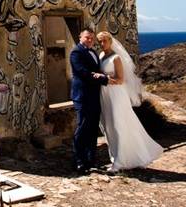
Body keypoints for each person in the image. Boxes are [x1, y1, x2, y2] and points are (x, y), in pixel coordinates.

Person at [96, 31, 163, 172]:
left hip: (116, 94)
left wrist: (104, 78)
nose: (102, 44)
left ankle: (120, 161)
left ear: (110, 41)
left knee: (118, 124)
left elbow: (121, 80)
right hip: (105, 94)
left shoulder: (116, 58)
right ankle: (119, 157)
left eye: (104, 41)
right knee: (109, 126)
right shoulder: (101, 56)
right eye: (100, 41)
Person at [69, 29, 108, 172]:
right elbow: (83, 73)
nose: (90, 40)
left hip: (94, 96)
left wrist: (102, 76)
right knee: (82, 128)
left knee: (92, 129)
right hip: (82, 96)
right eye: (87, 37)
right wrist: (104, 79)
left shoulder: (94, 52)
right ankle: (79, 160)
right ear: (80, 37)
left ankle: (91, 160)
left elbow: (96, 70)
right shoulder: (76, 52)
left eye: (92, 38)